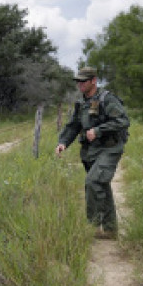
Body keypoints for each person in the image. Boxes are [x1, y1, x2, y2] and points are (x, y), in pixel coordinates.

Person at [55, 66, 130, 239]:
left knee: (92, 182)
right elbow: (73, 125)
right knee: (101, 184)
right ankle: (111, 230)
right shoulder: (81, 103)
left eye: (83, 81)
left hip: (110, 148)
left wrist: (99, 130)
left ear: (94, 81)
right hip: (91, 151)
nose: (80, 84)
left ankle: (92, 226)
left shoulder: (107, 99)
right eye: (78, 81)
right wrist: (63, 142)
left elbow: (123, 121)